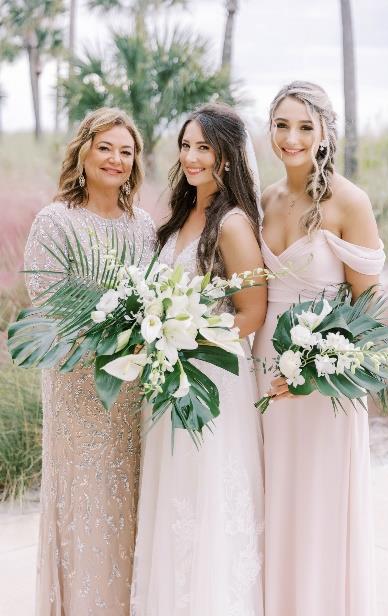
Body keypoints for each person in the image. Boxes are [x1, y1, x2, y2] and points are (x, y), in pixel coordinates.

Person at [253, 81, 386, 616]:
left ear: (326, 131)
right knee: (273, 501)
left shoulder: (349, 202)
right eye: (282, 125)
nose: (292, 137)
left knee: (318, 507)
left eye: (305, 126)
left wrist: (317, 368)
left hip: (326, 383)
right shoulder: (263, 200)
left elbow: (369, 312)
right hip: (265, 373)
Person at [130, 103, 266, 616]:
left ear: (227, 157)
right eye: (186, 146)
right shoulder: (182, 215)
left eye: (203, 147)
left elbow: (252, 312)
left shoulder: (232, 224)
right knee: (173, 495)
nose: (191, 157)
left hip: (210, 379)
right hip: (169, 375)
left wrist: (189, 339)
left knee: (207, 495)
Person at [24, 107, 157, 615]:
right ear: (83, 150)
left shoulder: (142, 225)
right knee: (84, 503)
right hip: (77, 391)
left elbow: (154, 299)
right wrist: (108, 340)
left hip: (131, 395)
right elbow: (47, 304)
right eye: (105, 147)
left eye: (126, 152)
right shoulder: (55, 220)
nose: (116, 159)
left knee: (129, 503)